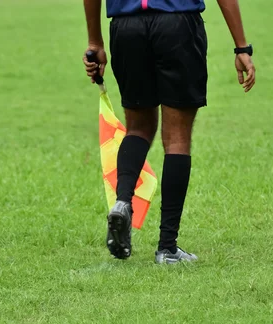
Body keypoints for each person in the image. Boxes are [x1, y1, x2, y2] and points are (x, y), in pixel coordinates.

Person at [83, 0, 256, 264]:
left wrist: (95, 43)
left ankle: (122, 203)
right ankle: (167, 247)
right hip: (178, 24)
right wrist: (242, 47)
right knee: (177, 137)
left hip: (127, 29)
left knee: (139, 127)